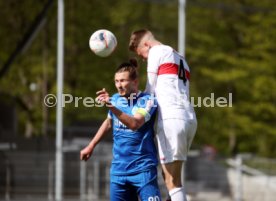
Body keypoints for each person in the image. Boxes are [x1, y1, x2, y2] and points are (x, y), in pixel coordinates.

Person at [129, 29, 197, 201]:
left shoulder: (156, 52)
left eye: (142, 55)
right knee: (175, 180)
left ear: (146, 44)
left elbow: (150, 91)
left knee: (171, 181)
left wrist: (133, 105)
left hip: (170, 119)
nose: (144, 59)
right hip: (189, 118)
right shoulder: (180, 57)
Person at [80, 59, 161, 201]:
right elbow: (109, 123)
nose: (119, 85)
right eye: (116, 81)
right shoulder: (116, 99)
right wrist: (91, 145)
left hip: (143, 170)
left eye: (123, 81)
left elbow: (135, 124)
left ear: (135, 82)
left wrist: (111, 106)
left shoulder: (147, 100)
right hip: (118, 172)